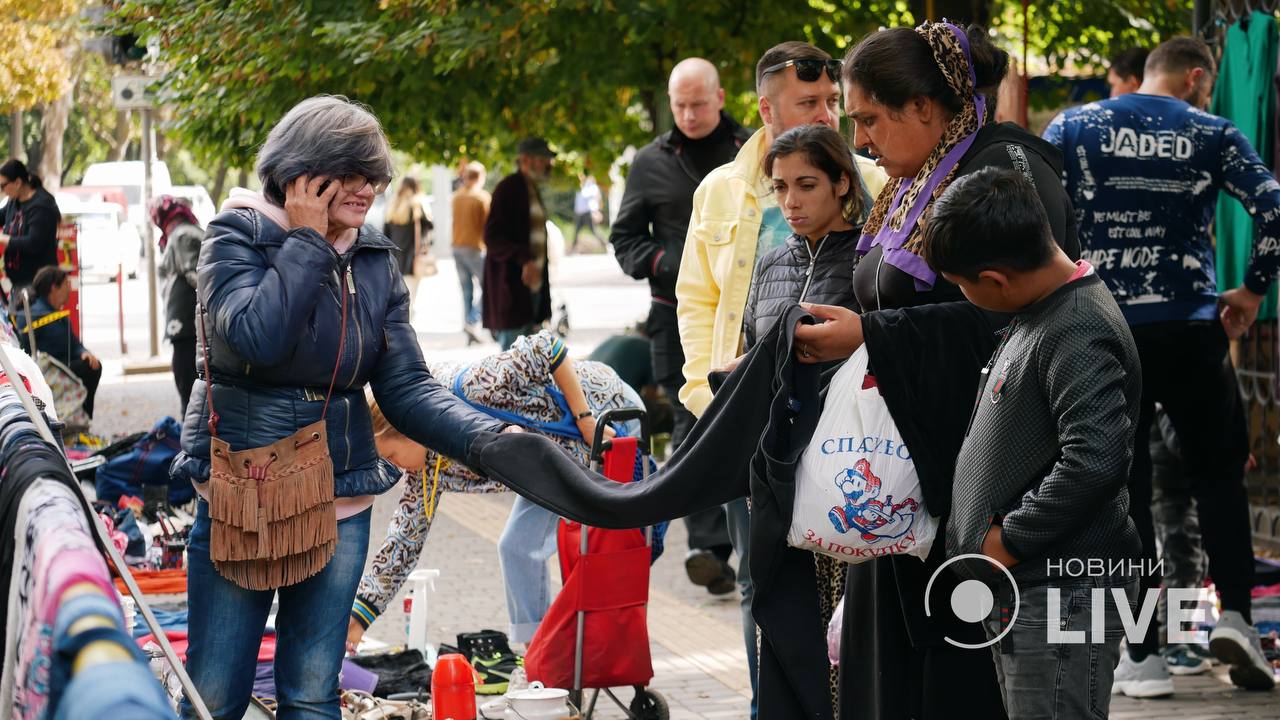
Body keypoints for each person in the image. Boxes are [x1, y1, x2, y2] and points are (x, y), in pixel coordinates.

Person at [169, 95, 515, 720]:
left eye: (376, 177)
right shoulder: (234, 237)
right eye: (353, 175)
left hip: (341, 497)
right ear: (303, 173)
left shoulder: (376, 257)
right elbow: (254, 338)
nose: (370, 190)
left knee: (310, 691)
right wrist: (306, 240)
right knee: (215, 693)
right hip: (243, 492)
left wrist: (488, 439)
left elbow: (407, 385)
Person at [793, 21, 1080, 720]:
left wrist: (873, 334)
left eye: (868, 119)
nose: (859, 142)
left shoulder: (1006, 170)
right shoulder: (922, 176)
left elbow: (1017, 322)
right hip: (906, 473)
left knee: (957, 680)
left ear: (923, 107)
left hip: (978, 485)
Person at [1043, 36, 1278, 694]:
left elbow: (1037, 211)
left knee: (1127, 491)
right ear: (1196, 78)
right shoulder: (1212, 131)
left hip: (1103, 323)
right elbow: (1274, 210)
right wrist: (1253, 290)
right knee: (1219, 477)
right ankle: (1234, 616)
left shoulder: (1075, 126)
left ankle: (1142, 652)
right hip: (1191, 325)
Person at [676, 41, 888, 718]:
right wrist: (708, 394)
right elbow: (702, 304)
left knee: (849, 608)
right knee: (763, 588)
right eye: (811, 103)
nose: (829, 113)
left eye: (833, 101)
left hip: (851, 462)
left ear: (843, 186)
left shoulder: (875, 234)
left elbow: (890, 344)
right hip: (762, 446)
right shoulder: (731, 207)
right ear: (767, 108)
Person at [923, 167, 1142, 719]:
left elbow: (1094, 460)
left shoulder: (1076, 326)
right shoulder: (1041, 311)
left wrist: (1008, 540)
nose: (965, 296)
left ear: (994, 279)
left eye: (962, 284)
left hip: (1063, 591)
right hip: (1029, 586)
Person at [347, 331, 648, 660]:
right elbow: (402, 543)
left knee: (612, 552)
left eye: (390, 456)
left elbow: (547, 347)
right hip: (549, 465)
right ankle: (542, 661)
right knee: (517, 547)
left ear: (402, 426)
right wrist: (359, 620)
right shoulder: (427, 470)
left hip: (610, 416)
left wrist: (585, 420)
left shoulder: (474, 387)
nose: (397, 468)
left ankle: (555, 657)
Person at [610, 56, 751, 597]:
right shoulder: (649, 162)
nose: (689, 113)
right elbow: (625, 239)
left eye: (698, 102)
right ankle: (708, 548)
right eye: (680, 104)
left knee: (747, 420)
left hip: (747, 315)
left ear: (719, 97)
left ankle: (747, 541)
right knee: (692, 422)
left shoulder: (752, 151)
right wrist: (669, 266)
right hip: (676, 316)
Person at [741, 125, 865, 351]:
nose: (790, 202)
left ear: (842, 184)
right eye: (780, 187)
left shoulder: (869, 257)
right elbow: (752, 353)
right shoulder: (768, 265)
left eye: (806, 186)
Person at [483, 138, 556, 351]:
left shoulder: (530, 188)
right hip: (512, 287)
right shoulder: (509, 188)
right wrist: (524, 259)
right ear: (526, 160)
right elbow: (492, 237)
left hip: (531, 287)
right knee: (511, 359)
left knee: (528, 359)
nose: (547, 165)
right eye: (543, 160)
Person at [17, 266, 101, 418]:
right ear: (54, 288)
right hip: (48, 371)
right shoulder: (34, 313)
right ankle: (82, 417)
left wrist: (84, 353)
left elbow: (74, 344)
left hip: (63, 365)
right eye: (65, 285)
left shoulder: (57, 314)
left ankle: (83, 417)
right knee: (89, 369)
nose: (69, 289)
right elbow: (25, 350)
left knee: (92, 365)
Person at [152, 195, 205, 413]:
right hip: (190, 318)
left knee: (188, 383)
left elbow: (193, 273)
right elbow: (196, 275)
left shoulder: (181, 235)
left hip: (184, 318)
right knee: (193, 383)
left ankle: (190, 434)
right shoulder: (189, 232)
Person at [0, 158, 60, 296]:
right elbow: (2, 216)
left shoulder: (41, 205)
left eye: (3, 186)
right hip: (19, 285)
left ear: (18, 183)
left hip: (39, 286)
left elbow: (33, 243)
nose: (2, 190)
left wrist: (4, 239)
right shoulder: (13, 201)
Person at [383, 177, 433, 321]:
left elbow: (385, 233)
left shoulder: (393, 205)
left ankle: (399, 324)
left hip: (393, 259)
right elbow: (428, 229)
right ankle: (406, 326)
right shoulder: (419, 205)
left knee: (397, 295)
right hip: (413, 258)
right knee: (411, 295)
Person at [452, 161, 490, 344]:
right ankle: (472, 320)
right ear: (480, 177)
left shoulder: (457, 196)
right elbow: (488, 226)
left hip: (457, 247)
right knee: (489, 286)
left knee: (466, 290)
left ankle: (470, 332)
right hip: (475, 247)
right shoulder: (481, 198)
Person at [569, 173, 603, 253]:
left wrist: (596, 211)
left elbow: (594, 200)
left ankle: (606, 244)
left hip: (588, 213)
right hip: (579, 213)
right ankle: (573, 249)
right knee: (576, 231)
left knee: (594, 231)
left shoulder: (592, 188)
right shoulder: (580, 188)